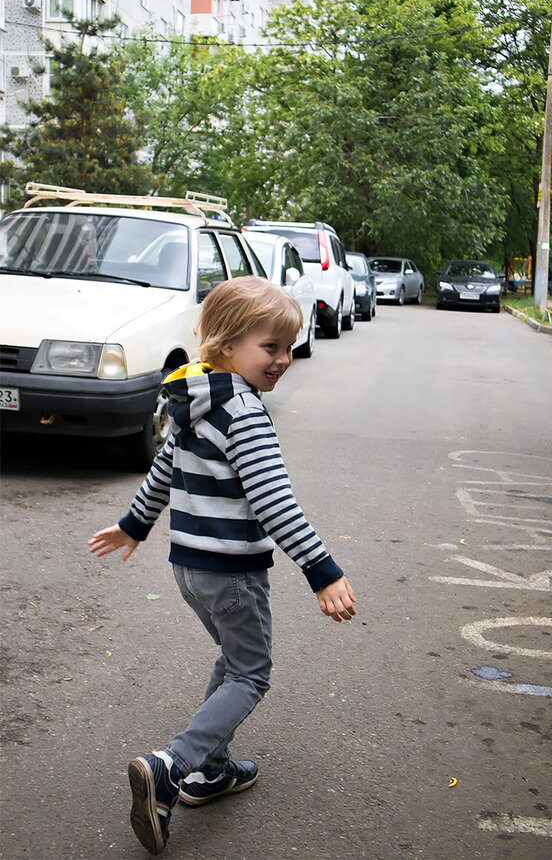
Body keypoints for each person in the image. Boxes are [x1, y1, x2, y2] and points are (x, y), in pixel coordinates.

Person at [87, 276, 357, 855]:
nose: (283, 359)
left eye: (289, 347)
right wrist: (322, 570)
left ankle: (212, 768)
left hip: (190, 570)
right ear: (227, 343)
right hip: (232, 572)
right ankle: (172, 764)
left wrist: (133, 526)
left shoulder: (192, 397)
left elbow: (164, 468)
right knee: (251, 674)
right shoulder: (244, 411)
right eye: (271, 347)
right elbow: (274, 501)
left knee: (235, 662)